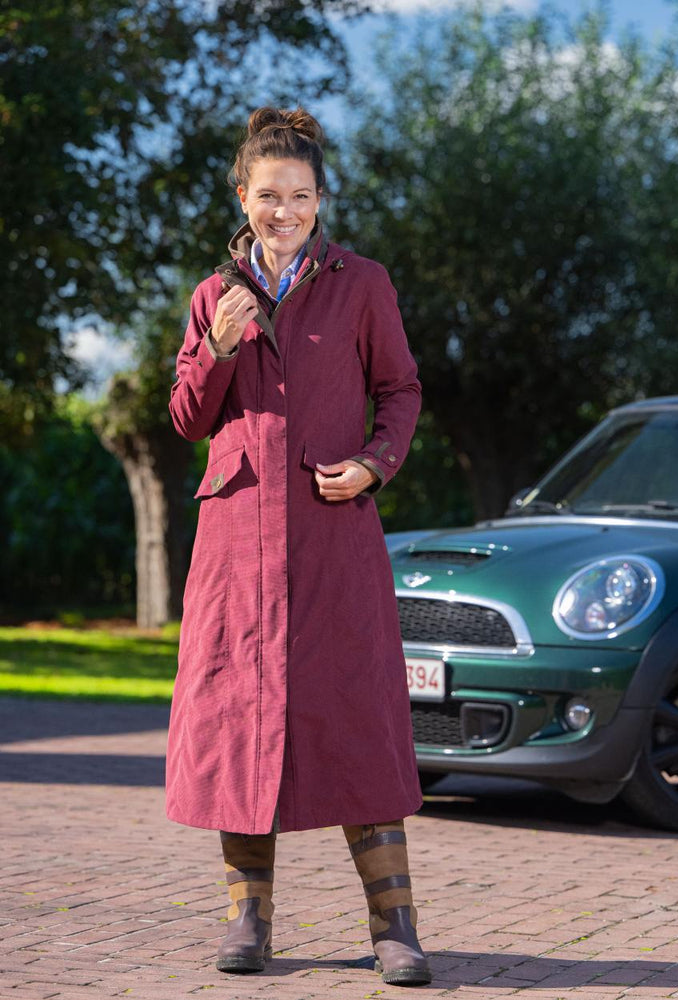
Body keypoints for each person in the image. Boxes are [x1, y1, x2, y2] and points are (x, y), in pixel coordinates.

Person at [165, 105, 430, 986]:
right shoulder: (214, 296)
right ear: (243, 195)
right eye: (270, 195)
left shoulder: (363, 284)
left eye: (303, 196)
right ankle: (249, 925)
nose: (287, 211)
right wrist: (218, 344)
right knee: (242, 726)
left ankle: (395, 930)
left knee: (358, 720)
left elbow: (400, 391)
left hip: (333, 540)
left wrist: (373, 464)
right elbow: (187, 418)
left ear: (321, 199)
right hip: (237, 550)